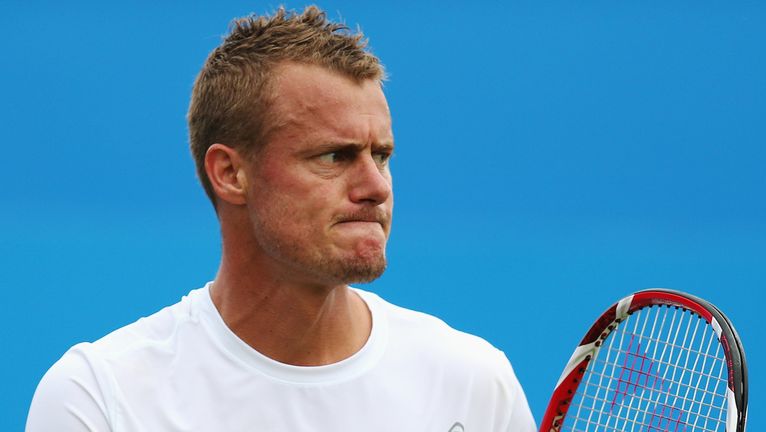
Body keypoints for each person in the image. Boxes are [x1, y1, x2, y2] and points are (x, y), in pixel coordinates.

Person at [27, 6, 536, 431]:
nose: (376, 186)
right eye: (334, 157)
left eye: (381, 155)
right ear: (230, 173)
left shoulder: (474, 385)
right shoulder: (99, 397)